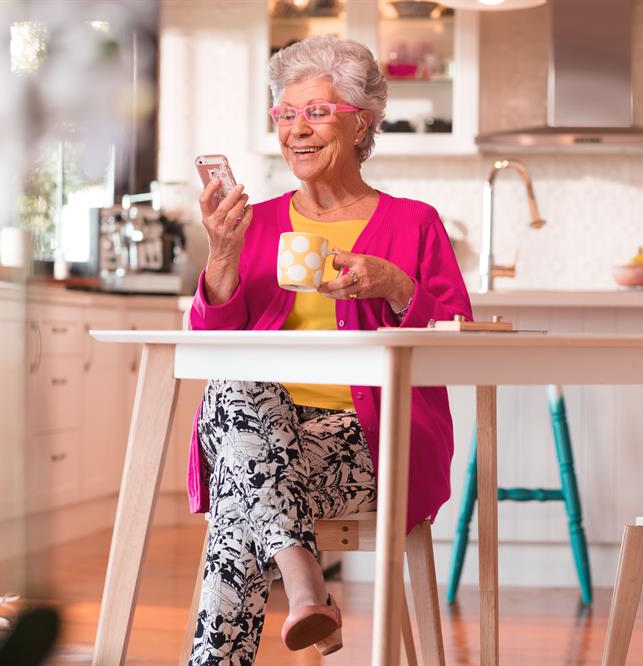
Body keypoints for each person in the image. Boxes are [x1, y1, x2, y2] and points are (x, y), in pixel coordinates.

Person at [187, 34, 472, 664]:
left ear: (361, 121)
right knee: (236, 393)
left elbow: (458, 341)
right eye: (285, 115)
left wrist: (399, 288)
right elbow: (211, 352)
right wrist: (221, 256)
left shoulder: (414, 223)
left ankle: (298, 583)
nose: (296, 130)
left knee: (240, 502)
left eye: (316, 112)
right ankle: (307, 585)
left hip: (372, 441)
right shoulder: (252, 222)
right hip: (262, 430)